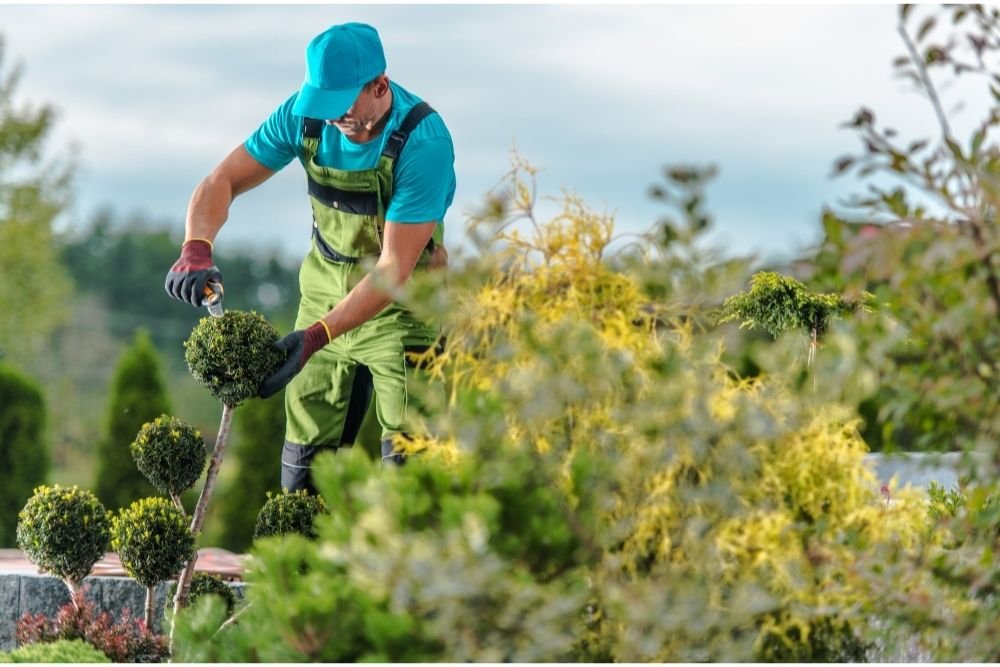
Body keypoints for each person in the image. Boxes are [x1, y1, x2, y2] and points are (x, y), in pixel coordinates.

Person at [165, 22, 455, 493]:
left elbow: (392, 270)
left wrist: (316, 337)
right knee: (304, 472)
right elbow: (223, 179)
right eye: (321, 100)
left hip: (403, 308)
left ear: (379, 86)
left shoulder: (424, 143)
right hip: (322, 292)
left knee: (414, 473)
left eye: (340, 101)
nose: (330, 115)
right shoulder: (304, 116)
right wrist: (197, 245)